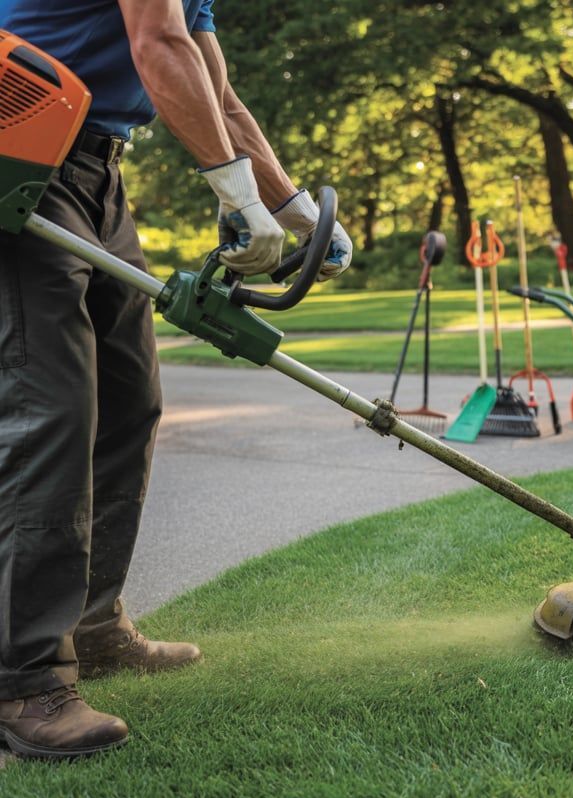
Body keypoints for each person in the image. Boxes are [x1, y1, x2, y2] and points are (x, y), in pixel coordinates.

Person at [0, 0, 353, 759]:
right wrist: (236, 196)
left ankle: (92, 627)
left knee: (130, 400)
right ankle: (22, 682)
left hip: (96, 165)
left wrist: (288, 205)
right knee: (51, 410)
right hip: (19, 144)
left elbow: (217, 95)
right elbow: (153, 41)